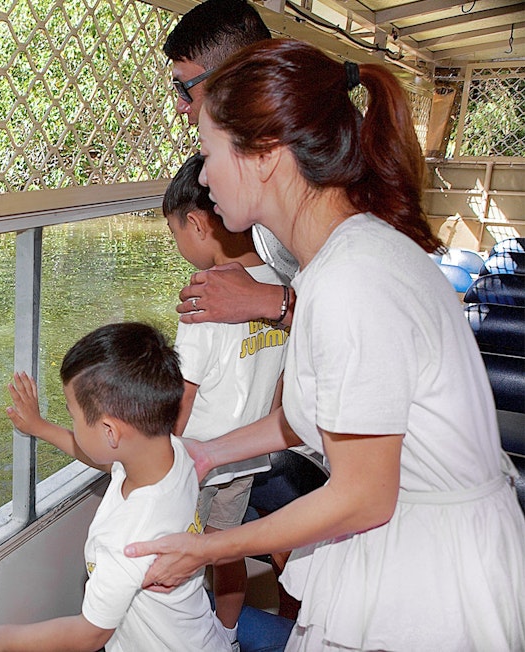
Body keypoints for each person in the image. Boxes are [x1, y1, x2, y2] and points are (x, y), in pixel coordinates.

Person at [124, 39, 525, 650]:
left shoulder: (351, 281)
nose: (203, 176)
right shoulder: (336, 261)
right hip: (409, 537)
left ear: (264, 157)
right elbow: (321, 415)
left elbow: (363, 495)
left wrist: (206, 548)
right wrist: (206, 453)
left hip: (429, 578)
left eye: (209, 154)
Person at [0, 322, 229, 652]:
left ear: (110, 431)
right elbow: (111, 461)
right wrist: (40, 427)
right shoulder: (171, 452)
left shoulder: (129, 536)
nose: (73, 424)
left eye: (73, 415)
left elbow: (88, 634)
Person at [163, 152, 288, 651]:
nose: (178, 246)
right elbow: (280, 390)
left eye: (175, 232)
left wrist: (159, 461)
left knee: (185, 554)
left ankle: (185, 639)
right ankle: (229, 637)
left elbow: (183, 401)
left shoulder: (204, 297)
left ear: (196, 223)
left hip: (198, 461)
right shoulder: (279, 288)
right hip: (248, 458)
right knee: (226, 549)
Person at [164, 0, 298, 325]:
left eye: (184, 87)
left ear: (230, 76)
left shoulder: (307, 170)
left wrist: (266, 301)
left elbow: (366, 314)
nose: (181, 107)